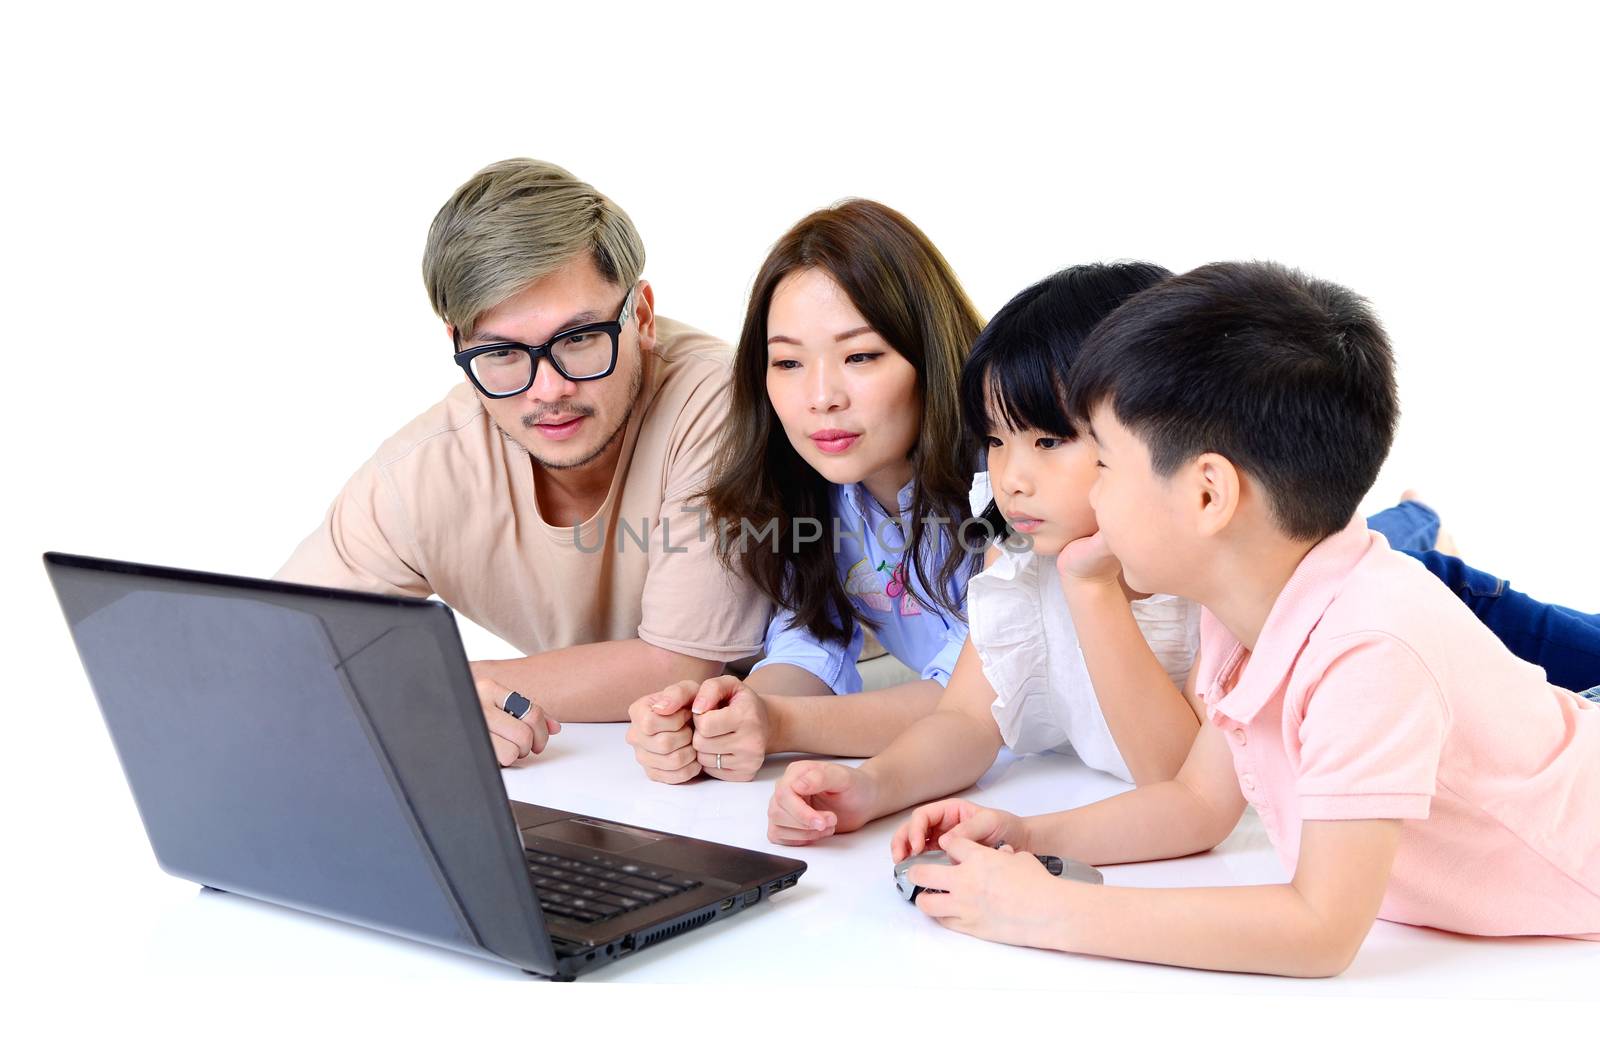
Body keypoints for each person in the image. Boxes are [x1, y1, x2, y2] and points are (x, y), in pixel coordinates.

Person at [896, 262, 1599, 975]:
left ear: (1208, 496)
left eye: (1104, 463)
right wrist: (1021, 836)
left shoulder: (1368, 649)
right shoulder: (1250, 607)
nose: (1093, 498)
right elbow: (1197, 805)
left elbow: (1320, 930)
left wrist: (1046, 909)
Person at [277, 159, 769, 767]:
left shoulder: (720, 401)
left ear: (640, 315)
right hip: (617, 768)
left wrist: (438, 689)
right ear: (457, 344)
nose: (547, 389)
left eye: (579, 339)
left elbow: (679, 663)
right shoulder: (425, 470)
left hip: (818, 749)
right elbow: (283, 650)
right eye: (503, 352)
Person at [623, 200, 990, 783]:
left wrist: (782, 725)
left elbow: (974, 701)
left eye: (860, 356)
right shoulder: (818, 490)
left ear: (930, 354)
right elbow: (809, 643)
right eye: (789, 363)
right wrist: (725, 713)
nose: (821, 397)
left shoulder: (1011, 481)